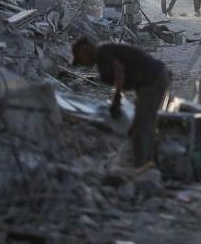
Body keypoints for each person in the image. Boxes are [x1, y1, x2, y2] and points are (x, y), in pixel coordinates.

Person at [72, 37, 171, 167]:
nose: (82, 63)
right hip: (152, 79)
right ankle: (149, 161)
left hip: (153, 80)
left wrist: (116, 98)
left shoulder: (102, 53)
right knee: (140, 125)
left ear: (84, 51)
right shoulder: (103, 53)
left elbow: (119, 70)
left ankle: (142, 166)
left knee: (143, 126)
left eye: (80, 59)